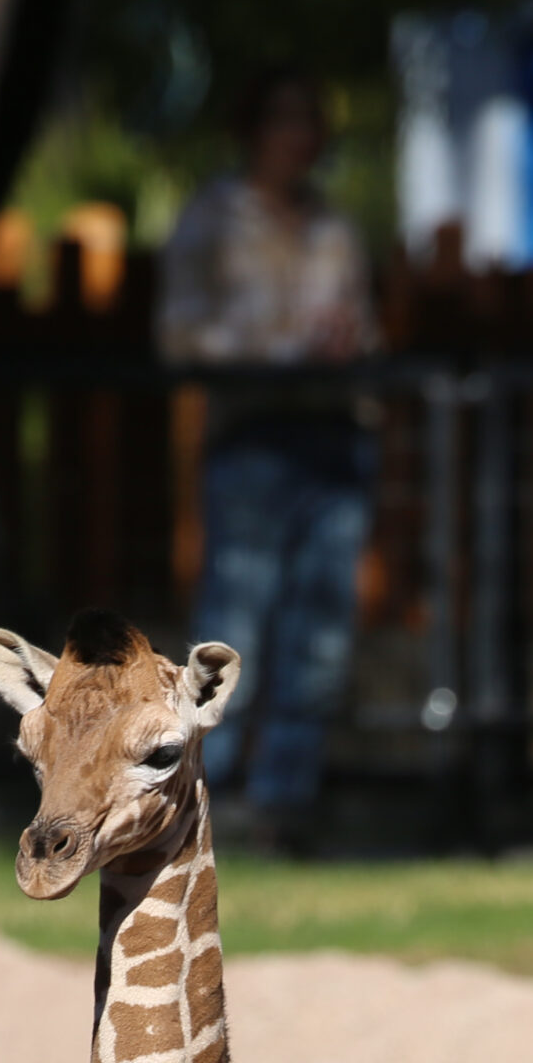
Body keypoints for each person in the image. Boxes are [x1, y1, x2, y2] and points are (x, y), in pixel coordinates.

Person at [158, 66, 376, 853]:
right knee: (233, 624)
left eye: (308, 119)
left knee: (320, 631)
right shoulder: (212, 219)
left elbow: (363, 325)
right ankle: (194, 801)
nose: (297, 136)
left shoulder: (334, 227)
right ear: (253, 129)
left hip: (333, 435)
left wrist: (348, 347)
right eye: (282, 118)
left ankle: (285, 804)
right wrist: (279, 351)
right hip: (251, 438)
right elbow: (180, 334)